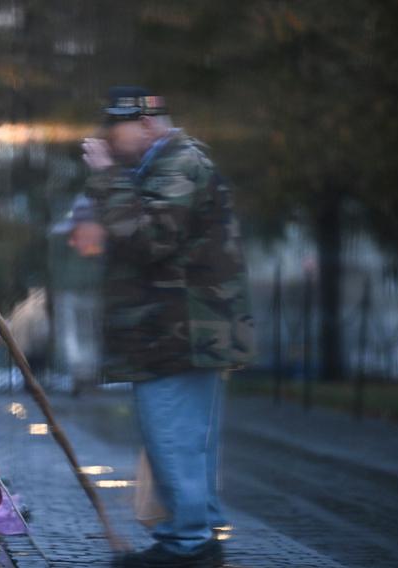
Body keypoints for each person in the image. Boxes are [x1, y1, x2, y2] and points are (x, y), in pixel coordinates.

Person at [77, 87, 255, 567]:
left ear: (149, 124)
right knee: (183, 440)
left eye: (118, 130)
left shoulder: (179, 164)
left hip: (180, 334)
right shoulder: (162, 167)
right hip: (175, 332)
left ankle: (188, 544)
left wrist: (105, 178)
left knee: (173, 437)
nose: (110, 141)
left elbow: (149, 239)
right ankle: (193, 537)